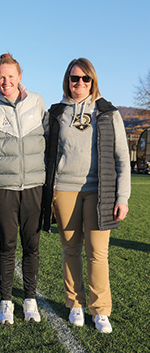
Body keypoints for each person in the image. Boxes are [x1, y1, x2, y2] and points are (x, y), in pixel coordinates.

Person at [42, 58, 130, 334]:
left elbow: (122, 159)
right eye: (73, 78)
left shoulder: (108, 112)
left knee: (98, 253)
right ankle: (75, 304)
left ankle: (100, 310)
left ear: (93, 81)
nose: (79, 83)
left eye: (85, 79)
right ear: (67, 80)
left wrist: (122, 198)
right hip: (64, 190)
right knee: (70, 250)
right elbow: (44, 150)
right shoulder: (55, 112)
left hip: (99, 192)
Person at [0, 54, 45, 324]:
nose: (6, 81)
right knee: (7, 246)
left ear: (20, 77)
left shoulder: (37, 103)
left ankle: (30, 299)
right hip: (3, 188)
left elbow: (50, 143)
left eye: (10, 76)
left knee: (32, 246)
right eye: (0, 77)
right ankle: (6, 301)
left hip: (33, 187)